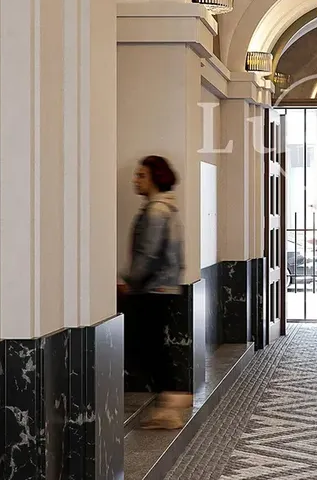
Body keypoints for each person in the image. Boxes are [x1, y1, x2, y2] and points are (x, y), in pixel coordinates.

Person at [119, 155, 193, 430]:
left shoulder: (156, 211)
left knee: (148, 347)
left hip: (153, 289)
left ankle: (172, 399)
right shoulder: (168, 209)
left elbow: (147, 254)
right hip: (164, 287)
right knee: (154, 346)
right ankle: (170, 402)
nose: (135, 180)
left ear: (155, 178)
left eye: (141, 175)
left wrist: (129, 281)